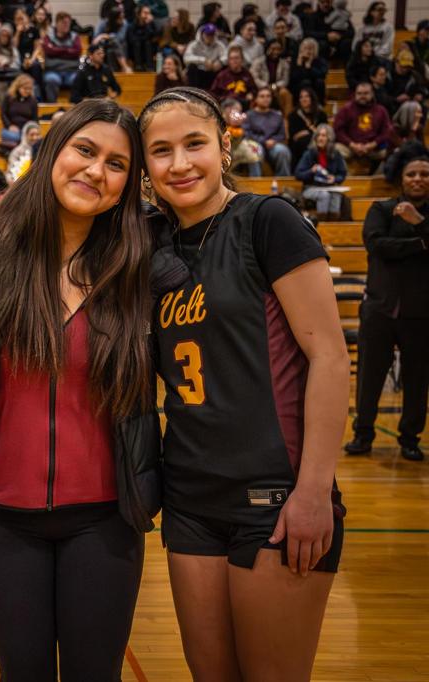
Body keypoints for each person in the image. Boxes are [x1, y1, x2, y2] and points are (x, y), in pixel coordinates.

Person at [0, 98, 159, 680]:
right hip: (0, 513)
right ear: (53, 151)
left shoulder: (142, 264)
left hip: (106, 518)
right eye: (85, 150)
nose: (95, 170)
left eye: (116, 164)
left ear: (129, 183)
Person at [139, 86, 347, 681]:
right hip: (189, 499)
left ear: (224, 147)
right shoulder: (148, 243)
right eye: (161, 151)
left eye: (194, 144)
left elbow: (329, 356)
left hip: (276, 496)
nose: (179, 164)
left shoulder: (268, 220)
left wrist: (314, 492)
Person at [344, 143, 429, 462]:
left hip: (420, 312)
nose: (418, 179)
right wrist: (421, 242)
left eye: (424, 174)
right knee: (369, 375)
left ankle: (410, 439)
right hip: (380, 307)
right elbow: (377, 245)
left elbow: (395, 246)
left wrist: (418, 222)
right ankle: (362, 434)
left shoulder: (422, 215)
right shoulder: (381, 209)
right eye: (412, 174)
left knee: (417, 378)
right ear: (401, 178)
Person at [334, 81, 393, 174]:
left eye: (366, 93)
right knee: (333, 150)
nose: (362, 96)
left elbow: (387, 131)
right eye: (359, 93)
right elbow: (338, 130)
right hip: (350, 146)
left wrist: (374, 144)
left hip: (373, 147)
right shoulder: (346, 109)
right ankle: (344, 177)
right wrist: (352, 144)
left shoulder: (381, 110)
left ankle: (378, 178)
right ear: (355, 94)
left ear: (372, 94)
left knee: (393, 151)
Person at [295, 123, 347, 219]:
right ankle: (322, 224)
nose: (320, 138)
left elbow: (342, 173)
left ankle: (334, 226)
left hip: (330, 187)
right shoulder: (309, 154)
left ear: (329, 138)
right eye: (318, 135)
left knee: (336, 195)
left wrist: (335, 178)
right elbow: (298, 174)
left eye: (323, 135)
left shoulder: (335, 154)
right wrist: (311, 171)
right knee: (324, 195)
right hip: (311, 188)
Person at [245, 86, 293, 175]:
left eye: (268, 96)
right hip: (256, 143)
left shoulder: (277, 115)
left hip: (273, 145)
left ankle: (282, 183)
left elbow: (282, 134)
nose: (265, 99)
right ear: (256, 99)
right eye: (262, 96)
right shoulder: (249, 115)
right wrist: (263, 141)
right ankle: (256, 185)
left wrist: (274, 140)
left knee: (283, 151)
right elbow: (247, 133)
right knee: (254, 151)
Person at [41, 12, 81, 102]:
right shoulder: (49, 36)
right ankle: (52, 108)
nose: (66, 25)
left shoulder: (75, 36)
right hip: (53, 71)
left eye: (68, 23)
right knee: (51, 80)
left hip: (71, 71)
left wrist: (56, 50)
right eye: (64, 23)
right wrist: (67, 50)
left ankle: (75, 107)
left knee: (78, 78)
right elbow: (48, 51)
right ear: (57, 23)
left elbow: (77, 52)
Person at [288, 86, 328, 161]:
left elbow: (325, 131)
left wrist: (307, 132)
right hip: (299, 145)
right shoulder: (293, 115)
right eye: (301, 97)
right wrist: (313, 131)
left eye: (307, 96)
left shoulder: (321, 114)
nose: (304, 99)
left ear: (312, 98)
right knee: (305, 141)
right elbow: (294, 136)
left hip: (318, 141)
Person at [251, 40, 292, 113]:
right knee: (261, 94)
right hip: (261, 87)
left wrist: (275, 86)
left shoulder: (284, 63)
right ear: (267, 49)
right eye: (273, 49)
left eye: (278, 49)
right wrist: (266, 86)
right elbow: (255, 78)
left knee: (285, 93)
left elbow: (285, 79)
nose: (276, 51)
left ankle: (287, 119)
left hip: (277, 88)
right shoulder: (258, 62)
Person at [0, 73, 37, 148]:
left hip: (26, 130)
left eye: (29, 89)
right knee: (15, 137)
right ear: (18, 87)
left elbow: (34, 119)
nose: (27, 91)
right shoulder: (9, 97)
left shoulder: (33, 101)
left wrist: (31, 130)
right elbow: (3, 113)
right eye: (25, 89)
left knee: (32, 139)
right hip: (10, 129)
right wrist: (9, 126)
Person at [184, 23, 227, 90]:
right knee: (191, 67)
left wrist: (220, 62)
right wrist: (203, 60)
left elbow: (226, 56)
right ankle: (194, 91)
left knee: (224, 67)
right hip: (198, 73)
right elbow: (186, 58)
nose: (210, 37)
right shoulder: (194, 44)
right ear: (202, 34)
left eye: (212, 35)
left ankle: (218, 92)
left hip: (213, 72)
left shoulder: (219, 45)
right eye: (207, 34)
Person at [288, 37, 327, 103]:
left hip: (314, 85)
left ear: (315, 50)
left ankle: (319, 104)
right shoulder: (295, 60)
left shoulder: (320, 60)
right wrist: (299, 66)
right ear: (301, 49)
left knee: (319, 82)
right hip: (298, 86)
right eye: (305, 48)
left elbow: (322, 75)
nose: (308, 51)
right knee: (305, 82)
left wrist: (309, 67)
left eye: (310, 49)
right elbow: (293, 78)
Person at [126, 5, 159, 70]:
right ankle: (138, 65)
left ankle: (149, 66)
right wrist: (143, 38)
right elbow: (131, 40)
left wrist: (147, 25)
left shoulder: (151, 24)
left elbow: (154, 37)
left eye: (149, 13)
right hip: (135, 50)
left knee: (148, 43)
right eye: (145, 13)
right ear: (139, 14)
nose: (147, 15)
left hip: (148, 49)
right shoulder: (132, 25)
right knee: (137, 43)